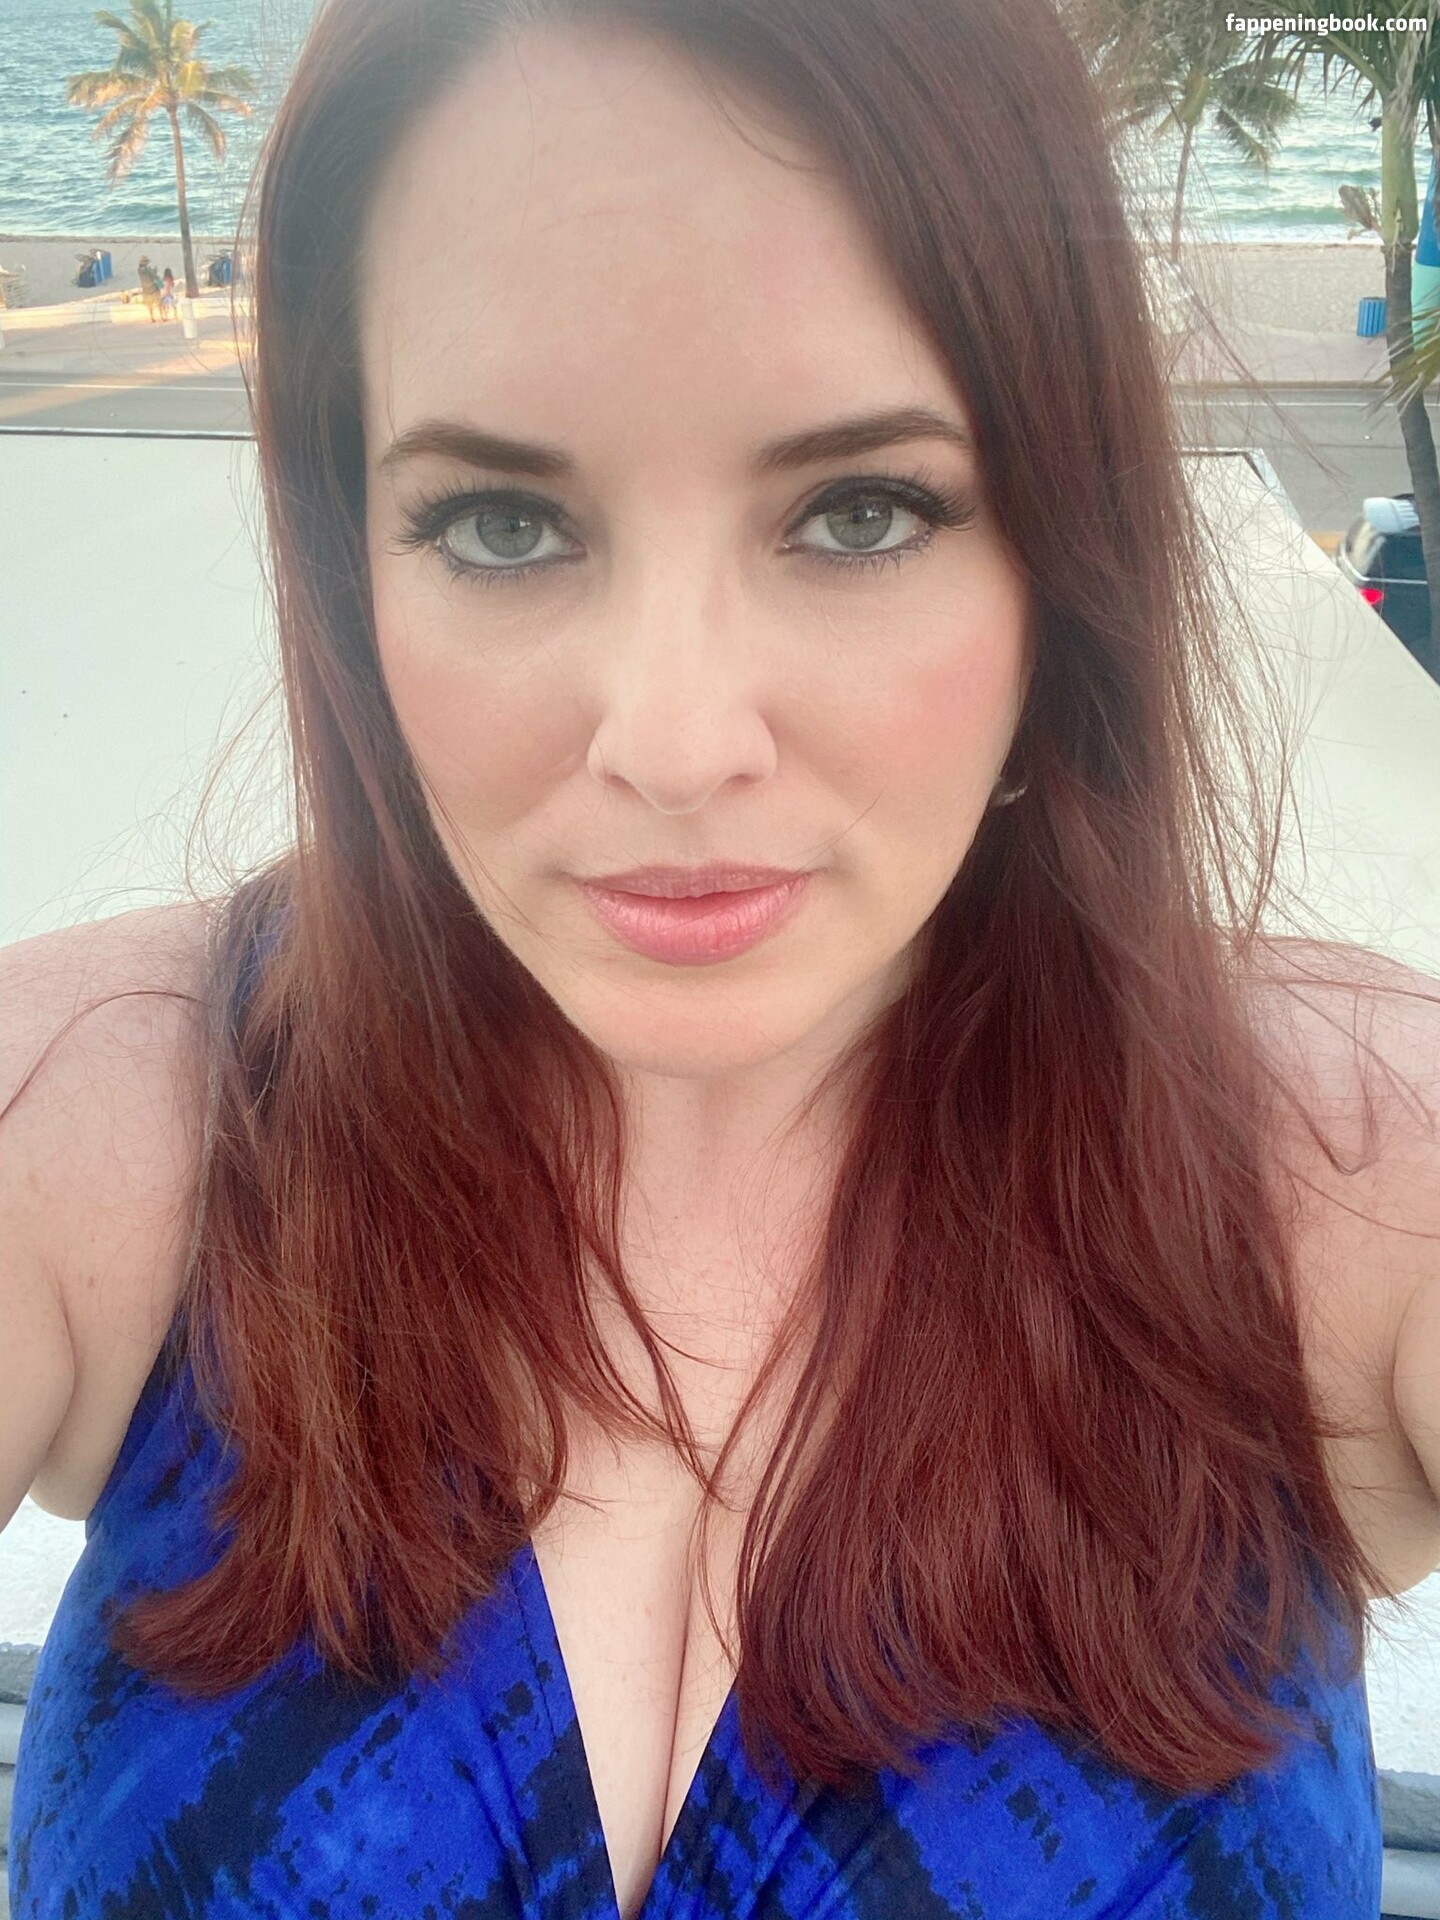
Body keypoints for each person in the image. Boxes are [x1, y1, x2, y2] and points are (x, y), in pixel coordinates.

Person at [3, 0, 1439, 1914]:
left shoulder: (1349, 1175)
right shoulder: (98, 1123)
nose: (673, 744)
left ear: (1058, 555)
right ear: (353, 564)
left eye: (860, 511)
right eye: (502, 522)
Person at [135, 252, 162, 322]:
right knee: (158, 303)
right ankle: (162, 316)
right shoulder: (148, 269)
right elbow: (154, 277)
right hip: (153, 289)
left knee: (149, 306)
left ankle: (152, 317)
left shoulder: (139, 270)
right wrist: (155, 272)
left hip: (145, 291)